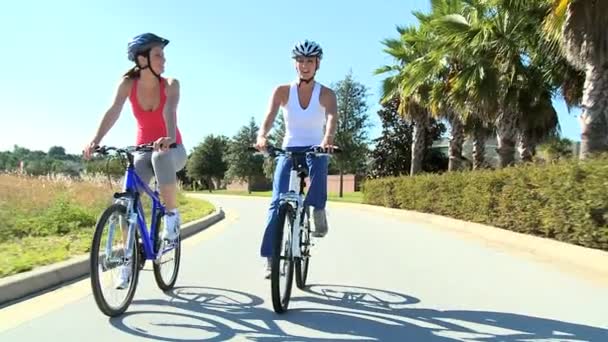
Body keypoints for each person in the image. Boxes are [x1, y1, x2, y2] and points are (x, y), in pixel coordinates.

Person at [83, 33, 187, 288]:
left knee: (160, 156)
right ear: (142, 59)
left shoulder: (171, 83)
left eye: (162, 55)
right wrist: (95, 140)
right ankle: (128, 259)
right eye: (158, 55)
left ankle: (172, 217)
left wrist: (168, 137)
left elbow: (169, 110)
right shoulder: (128, 84)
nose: (164, 60)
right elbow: (113, 110)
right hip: (142, 149)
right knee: (125, 197)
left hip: (172, 148)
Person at [255, 40, 339, 278]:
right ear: (295, 64)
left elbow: (331, 118)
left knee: (320, 163)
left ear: (317, 64)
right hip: (289, 149)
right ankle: (271, 258)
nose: (305, 65)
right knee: (277, 202)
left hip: (315, 147)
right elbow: (269, 117)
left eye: (309, 61)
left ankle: (317, 209)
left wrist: (327, 140)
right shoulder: (282, 91)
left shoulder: (326, 94)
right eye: (301, 61)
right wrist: (262, 135)